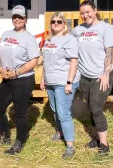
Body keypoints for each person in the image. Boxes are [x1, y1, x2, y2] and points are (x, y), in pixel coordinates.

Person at [0, 5, 40, 155]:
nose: (17, 19)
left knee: (20, 112)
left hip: (23, 79)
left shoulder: (29, 38)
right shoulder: (6, 34)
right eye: (14, 17)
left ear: (26, 19)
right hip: (6, 78)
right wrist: (0, 69)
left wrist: (16, 72)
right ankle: (5, 135)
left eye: (20, 17)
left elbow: (34, 61)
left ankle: (20, 141)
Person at [71, 0, 113, 156]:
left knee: (97, 108)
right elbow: (67, 42)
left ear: (95, 10)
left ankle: (104, 144)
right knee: (90, 107)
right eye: (82, 13)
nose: (85, 15)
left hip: (101, 75)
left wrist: (105, 74)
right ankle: (95, 138)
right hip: (85, 75)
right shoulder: (78, 30)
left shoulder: (105, 28)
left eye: (88, 12)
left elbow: (110, 53)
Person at [40, 12, 80, 159]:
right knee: (55, 109)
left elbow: (74, 61)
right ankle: (60, 133)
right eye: (53, 21)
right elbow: (46, 60)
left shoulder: (69, 40)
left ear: (64, 24)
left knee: (63, 113)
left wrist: (69, 82)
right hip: (50, 81)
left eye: (59, 21)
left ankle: (70, 146)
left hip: (64, 81)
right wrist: (44, 77)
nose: (55, 24)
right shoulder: (48, 39)